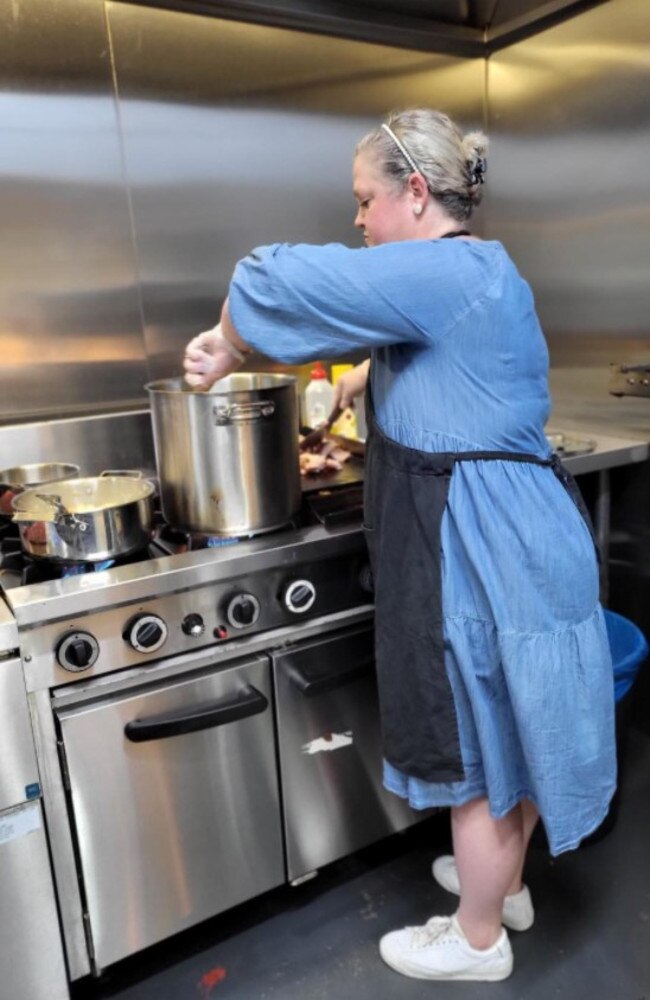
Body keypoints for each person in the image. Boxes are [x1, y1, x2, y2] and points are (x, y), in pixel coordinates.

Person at [183, 108, 616, 983]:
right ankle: (506, 889)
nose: (357, 219)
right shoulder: (474, 274)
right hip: (524, 538)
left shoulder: (445, 272)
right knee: (516, 725)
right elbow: (433, 357)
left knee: (478, 744)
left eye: (363, 200)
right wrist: (356, 380)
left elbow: (277, 275)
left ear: (415, 193)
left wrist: (229, 340)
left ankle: (478, 939)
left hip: (483, 548)